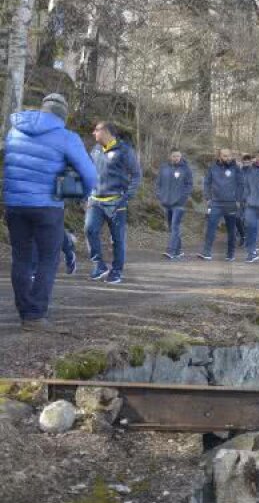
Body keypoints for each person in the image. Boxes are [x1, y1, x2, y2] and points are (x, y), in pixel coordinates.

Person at [3, 93, 97, 329]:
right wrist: (81, 194)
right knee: (48, 259)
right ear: (62, 114)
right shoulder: (66, 137)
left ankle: (25, 311)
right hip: (47, 206)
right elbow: (89, 174)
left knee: (21, 259)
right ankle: (35, 316)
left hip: (14, 205)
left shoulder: (14, 130)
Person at [86, 121, 142, 284]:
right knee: (90, 230)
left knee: (117, 239)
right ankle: (99, 265)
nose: (93, 133)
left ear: (106, 132)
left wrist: (126, 197)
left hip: (116, 202)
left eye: (96, 130)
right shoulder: (95, 150)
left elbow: (137, 175)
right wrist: (87, 194)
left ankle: (117, 271)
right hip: (95, 201)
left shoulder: (124, 150)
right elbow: (88, 172)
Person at [198, 148, 243, 261]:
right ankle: (207, 252)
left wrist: (238, 199)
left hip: (230, 203)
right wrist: (208, 198)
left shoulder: (236, 169)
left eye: (229, 155)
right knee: (211, 228)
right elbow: (207, 183)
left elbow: (241, 184)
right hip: (216, 203)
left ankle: (230, 254)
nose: (227, 158)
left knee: (231, 230)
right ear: (219, 157)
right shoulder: (213, 168)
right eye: (224, 156)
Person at [155, 149, 193, 259]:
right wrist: (159, 195)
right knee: (172, 227)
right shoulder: (164, 168)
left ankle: (171, 251)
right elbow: (158, 183)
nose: (176, 158)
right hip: (166, 202)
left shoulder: (186, 169)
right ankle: (179, 251)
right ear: (170, 156)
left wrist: (182, 198)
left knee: (175, 226)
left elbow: (189, 185)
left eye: (178, 156)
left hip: (179, 203)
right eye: (174, 156)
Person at [234, 153, 252, 247]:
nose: (246, 163)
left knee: (247, 220)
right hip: (239, 199)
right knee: (237, 218)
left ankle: (246, 239)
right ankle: (242, 235)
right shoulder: (239, 172)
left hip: (249, 200)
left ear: (250, 162)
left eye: (247, 162)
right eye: (244, 162)